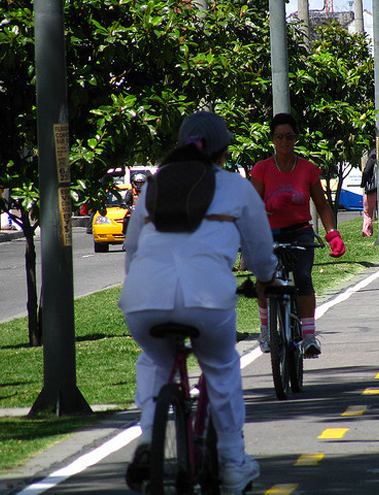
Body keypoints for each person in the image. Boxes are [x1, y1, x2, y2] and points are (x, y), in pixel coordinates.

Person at [118, 111, 278, 494]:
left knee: (154, 359)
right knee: (221, 369)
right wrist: (267, 278)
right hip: (207, 300)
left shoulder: (154, 185)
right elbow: (259, 251)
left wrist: (139, 285)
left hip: (143, 298)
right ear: (222, 152)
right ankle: (233, 462)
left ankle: (147, 440)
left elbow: (132, 247)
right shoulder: (236, 188)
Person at [250, 113, 346, 358]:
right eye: (280, 137)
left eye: (289, 136)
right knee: (265, 278)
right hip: (267, 232)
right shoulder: (261, 169)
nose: (285, 141)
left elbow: (322, 205)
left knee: (302, 277)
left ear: (296, 138)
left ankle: (308, 337)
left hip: (300, 232)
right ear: (272, 139)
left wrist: (332, 233)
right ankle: (266, 329)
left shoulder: (308, 169)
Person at [360, 148, 378, 237]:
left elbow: (366, 171)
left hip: (372, 189)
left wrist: (363, 183)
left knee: (367, 213)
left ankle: (367, 232)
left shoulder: (372, 159)